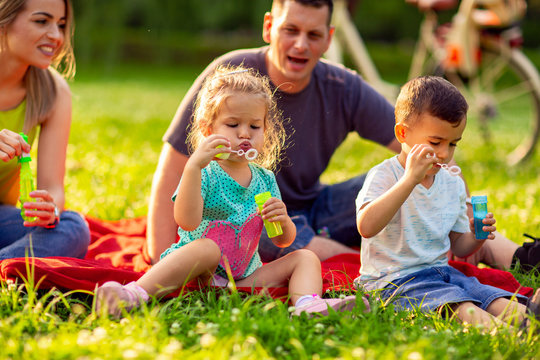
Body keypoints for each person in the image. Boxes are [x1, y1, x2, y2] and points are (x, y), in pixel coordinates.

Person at [147, 0, 539, 272]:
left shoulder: (341, 85)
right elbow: (177, 165)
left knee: (397, 184)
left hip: (318, 206)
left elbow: (424, 140)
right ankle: (345, 260)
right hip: (254, 215)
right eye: (290, 30)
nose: (301, 44)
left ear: (329, 38)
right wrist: (163, 251)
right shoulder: (231, 77)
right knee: (265, 235)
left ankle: (520, 255)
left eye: (313, 34)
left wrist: (456, 202)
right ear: (269, 27)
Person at [96, 66, 367, 317]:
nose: (244, 134)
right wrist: (192, 168)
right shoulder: (205, 172)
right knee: (207, 247)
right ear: (208, 129)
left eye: (254, 126)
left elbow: (283, 240)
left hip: (244, 278)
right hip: (199, 273)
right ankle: (134, 294)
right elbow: (186, 221)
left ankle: (308, 304)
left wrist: (282, 221)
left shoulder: (265, 179)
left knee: (305, 257)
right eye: (233, 125)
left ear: (265, 130)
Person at [355, 76, 539, 330]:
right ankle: (507, 335)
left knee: (486, 295)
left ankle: (529, 320)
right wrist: (410, 180)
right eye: (435, 142)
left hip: (441, 273)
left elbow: (459, 246)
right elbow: (366, 226)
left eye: (453, 144)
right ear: (402, 133)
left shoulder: (451, 182)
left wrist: (476, 236)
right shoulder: (385, 176)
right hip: (392, 281)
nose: (444, 153)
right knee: (460, 305)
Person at [0, 0, 90, 260]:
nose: (56, 36)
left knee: (73, 228)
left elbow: (52, 186)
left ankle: (6, 264)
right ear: (5, 21)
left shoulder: (53, 91)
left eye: (61, 25)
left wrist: (48, 207)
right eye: (42, 21)